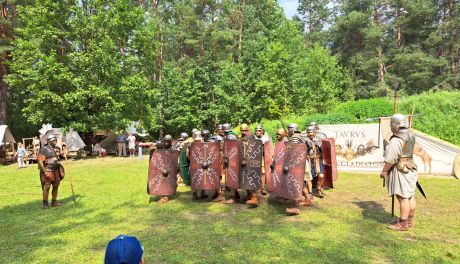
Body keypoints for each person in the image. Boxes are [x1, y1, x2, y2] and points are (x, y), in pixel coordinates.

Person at [380, 113, 418, 231]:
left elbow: (391, 158)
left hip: (401, 169)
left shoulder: (397, 139)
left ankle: (403, 224)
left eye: (392, 124)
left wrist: (384, 171)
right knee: (410, 196)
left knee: (402, 197)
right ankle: (409, 220)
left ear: (396, 125)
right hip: (410, 167)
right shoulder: (411, 135)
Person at [37, 134, 64, 209]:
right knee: (47, 186)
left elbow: (60, 156)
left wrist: (64, 152)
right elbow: (40, 161)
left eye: (55, 140)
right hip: (48, 169)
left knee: (56, 185)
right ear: (48, 141)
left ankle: (54, 202)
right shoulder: (43, 149)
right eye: (53, 140)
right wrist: (44, 172)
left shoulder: (58, 148)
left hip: (56, 169)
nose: (55, 141)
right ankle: (45, 204)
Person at [305, 125, 325, 198]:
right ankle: (310, 193)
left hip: (318, 160)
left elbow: (323, 150)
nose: (310, 133)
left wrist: (317, 143)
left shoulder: (319, 139)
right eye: (309, 132)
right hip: (309, 161)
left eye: (312, 132)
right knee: (309, 177)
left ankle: (318, 188)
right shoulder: (305, 140)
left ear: (315, 132)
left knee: (321, 175)